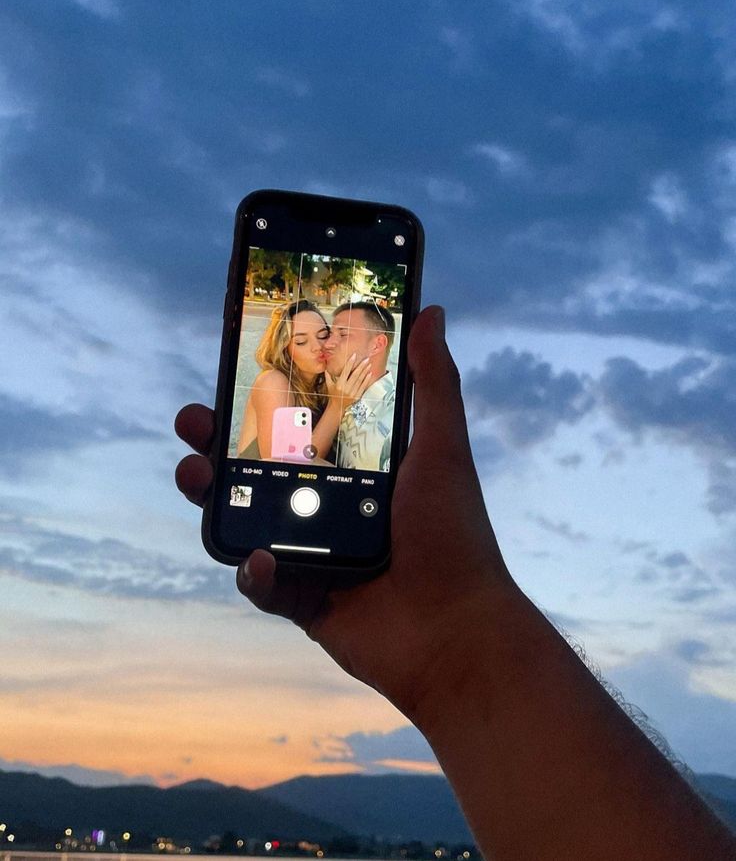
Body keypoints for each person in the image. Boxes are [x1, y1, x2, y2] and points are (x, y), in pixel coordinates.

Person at [176, 306, 736, 860]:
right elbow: (296, 458)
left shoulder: (359, 408)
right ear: (282, 346)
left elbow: (305, 459)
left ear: (377, 348)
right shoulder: (297, 391)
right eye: (309, 338)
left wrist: (457, 633)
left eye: (330, 334)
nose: (321, 346)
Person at [237, 300, 373, 462]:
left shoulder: (327, 382)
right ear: (285, 350)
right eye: (301, 341)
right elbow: (287, 466)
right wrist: (336, 407)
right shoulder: (273, 382)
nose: (318, 347)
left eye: (323, 335)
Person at [322, 301, 396, 471]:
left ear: (377, 345)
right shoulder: (339, 393)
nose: (327, 344)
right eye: (330, 334)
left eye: (343, 334)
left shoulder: (391, 425)